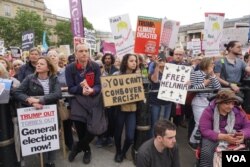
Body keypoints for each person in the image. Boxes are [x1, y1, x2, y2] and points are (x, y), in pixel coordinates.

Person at [14, 57, 62, 167]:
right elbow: (18, 92)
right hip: (35, 114)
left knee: (51, 136)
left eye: (42, 64)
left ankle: (50, 161)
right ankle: (41, 158)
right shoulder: (30, 78)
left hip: (51, 113)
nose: (38, 65)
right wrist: (30, 101)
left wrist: (40, 100)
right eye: (38, 63)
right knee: (39, 138)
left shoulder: (54, 78)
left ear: (48, 67)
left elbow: (57, 94)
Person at [65, 44, 101, 164]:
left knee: (94, 129)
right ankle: (87, 151)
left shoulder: (95, 66)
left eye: (86, 51)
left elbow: (98, 85)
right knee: (80, 129)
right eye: (81, 51)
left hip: (93, 101)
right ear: (76, 53)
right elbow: (70, 88)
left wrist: (92, 90)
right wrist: (81, 89)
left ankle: (77, 147)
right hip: (78, 102)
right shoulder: (70, 68)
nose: (84, 53)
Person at [199, 90, 250, 167]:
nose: (231, 106)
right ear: (219, 102)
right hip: (214, 138)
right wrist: (223, 137)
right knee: (206, 152)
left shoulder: (238, 112)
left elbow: (248, 127)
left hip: (234, 137)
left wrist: (242, 134)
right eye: (227, 103)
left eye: (232, 103)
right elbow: (204, 130)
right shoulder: (209, 111)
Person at [189, 57, 221, 149]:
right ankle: (193, 141)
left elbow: (218, 87)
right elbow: (192, 89)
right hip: (198, 102)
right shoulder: (196, 74)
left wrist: (213, 75)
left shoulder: (212, 74)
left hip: (210, 102)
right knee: (199, 124)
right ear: (206, 64)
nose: (213, 65)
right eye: (211, 63)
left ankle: (202, 142)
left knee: (209, 123)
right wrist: (204, 84)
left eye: (213, 63)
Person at [113, 53, 139, 163]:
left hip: (132, 110)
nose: (134, 63)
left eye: (135, 61)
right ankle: (118, 152)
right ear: (125, 62)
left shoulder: (138, 76)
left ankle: (123, 152)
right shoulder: (116, 75)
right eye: (131, 61)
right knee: (118, 133)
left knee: (130, 137)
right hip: (119, 110)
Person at [47, 50, 73, 150]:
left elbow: (70, 85)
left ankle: (70, 144)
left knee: (67, 123)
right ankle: (51, 146)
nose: (53, 57)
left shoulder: (65, 71)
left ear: (58, 58)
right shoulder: (45, 73)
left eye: (54, 56)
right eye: (50, 56)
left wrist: (59, 89)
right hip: (50, 103)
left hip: (64, 102)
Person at [95, 53, 118, 147]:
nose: (107, 60)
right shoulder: (99, 69)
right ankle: (101, 137)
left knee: (111, 119)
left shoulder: (116, 70)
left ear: (112, 59)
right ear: (104, 59)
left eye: (109, 58)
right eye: (106, 58)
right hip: (101, 99)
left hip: (112, 99)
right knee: (101, 119)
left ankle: (109, 137)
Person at [148, 55, 172, 136]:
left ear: (166, 62)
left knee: (165, 124)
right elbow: (155, 80)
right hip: (156, 102)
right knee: (155, 124)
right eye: (159, 60)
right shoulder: (153, 72)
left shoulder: (171, 73)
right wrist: (157, 66)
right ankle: (152, 142)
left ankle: (162, 141)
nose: (161, 62)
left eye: (163, 60)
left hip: (167, 102)